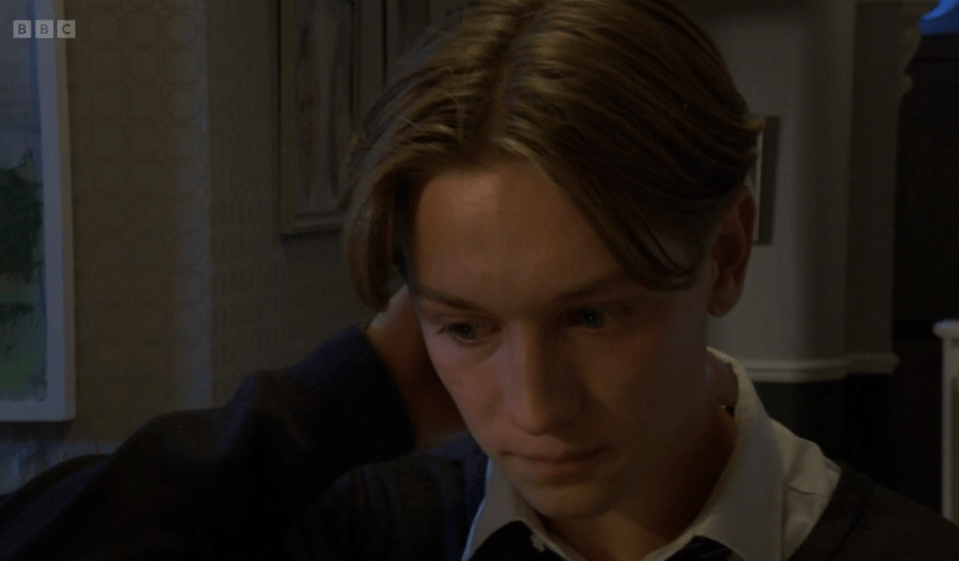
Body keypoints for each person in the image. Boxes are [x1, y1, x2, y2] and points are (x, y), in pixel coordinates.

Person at [2, 0, 958, 559]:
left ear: (726, 253)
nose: (533, 408)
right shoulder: (374, 527)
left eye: (591, 313)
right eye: (466, 328)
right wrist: (336, 403)